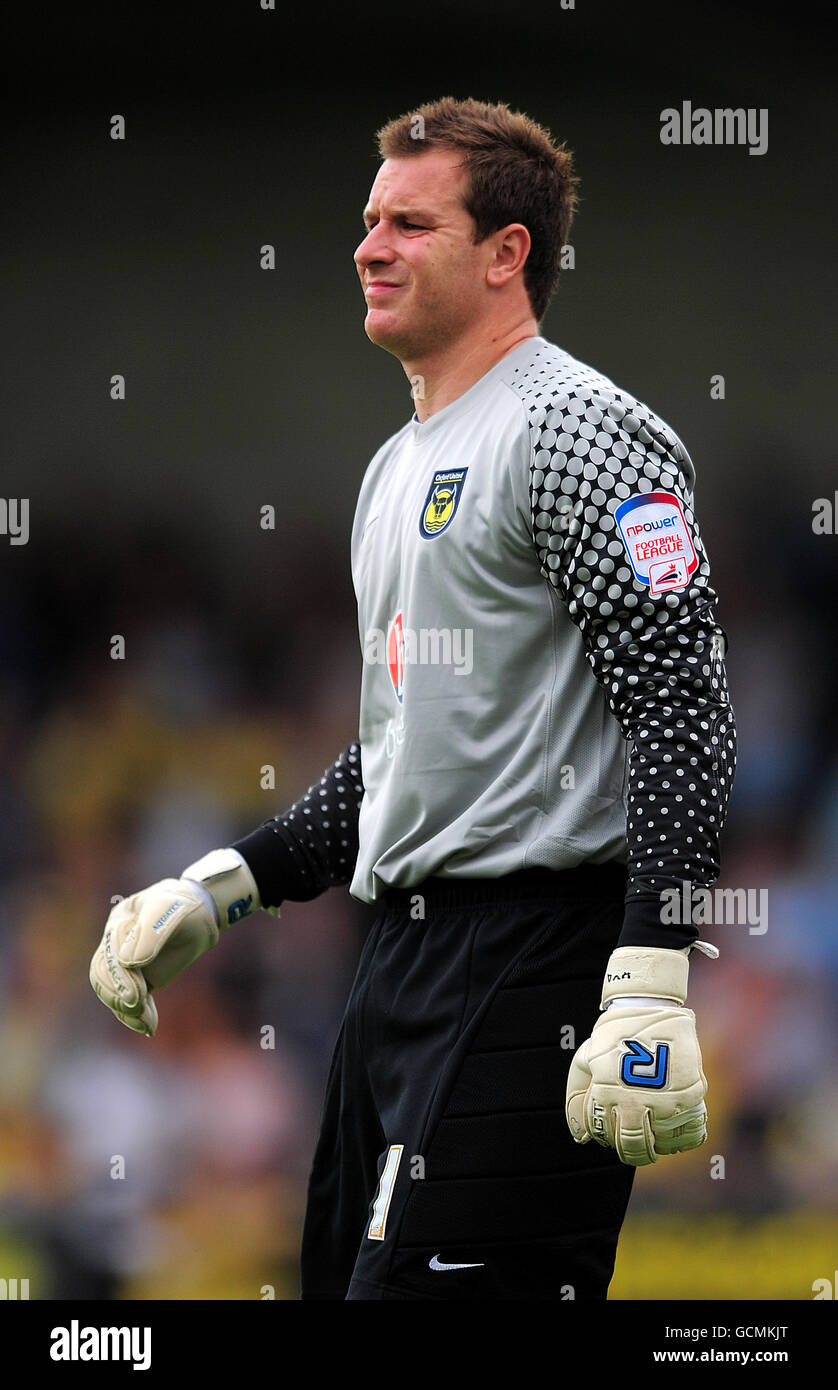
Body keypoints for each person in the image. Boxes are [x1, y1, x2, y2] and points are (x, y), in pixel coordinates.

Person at [90, 96, 737, 1301]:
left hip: (540, 959)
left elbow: (681, 707)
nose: (368, 247)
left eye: (410, 223)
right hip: (396, 969)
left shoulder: (582, 430)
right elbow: (401, 757)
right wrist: (225, 885)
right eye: (367, 219)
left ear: (506, 254)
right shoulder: (394, 468)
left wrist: (650, 971)